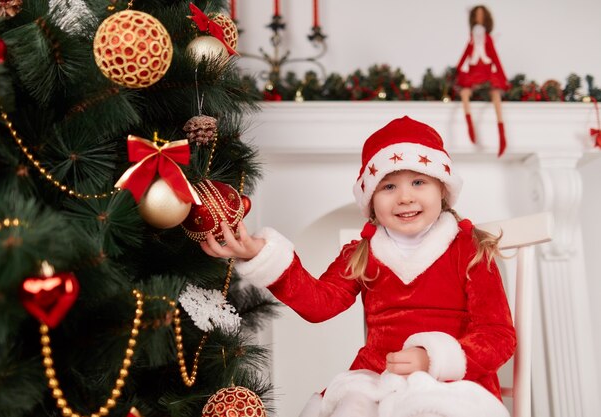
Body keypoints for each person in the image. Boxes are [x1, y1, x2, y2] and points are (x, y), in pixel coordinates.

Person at [201, 116, 516, 417]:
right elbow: (319, 303)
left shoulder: (468, 248)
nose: (405, 197)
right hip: (378, 378)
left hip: (453, 380)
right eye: (388, 187)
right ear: (371, 200)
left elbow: (498, 334)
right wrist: (260, 254)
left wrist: (432, 358)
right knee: (351, 405)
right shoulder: (363, 253)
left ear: (443, 190)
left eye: (419, 181)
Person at [455, 5, 509, 157]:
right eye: (477, 15)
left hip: (486, 71)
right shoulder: (472, 39)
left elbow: (495, 57)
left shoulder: (489, 39)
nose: (479, 18)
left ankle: (502, 134)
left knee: (496, 94)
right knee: (465, 93)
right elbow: (465, 54)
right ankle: (470, 127)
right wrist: (457, 70)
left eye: (481, 15)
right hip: (473, 72)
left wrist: (502, 75)